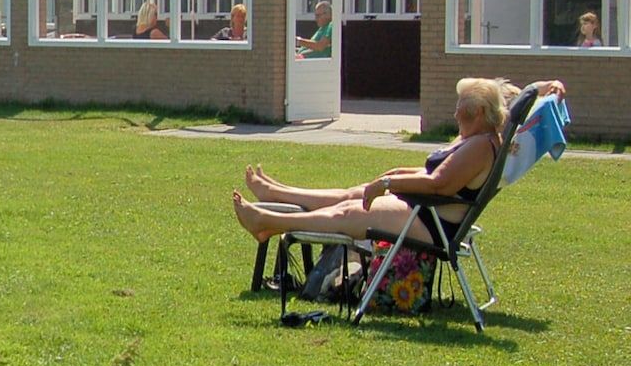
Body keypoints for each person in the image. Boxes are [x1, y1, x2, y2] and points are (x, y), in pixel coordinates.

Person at [233, 78, 567, 247]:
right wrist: (544, 87)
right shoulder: (478, 138)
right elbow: (516, 100)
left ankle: (268, 222)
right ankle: (279, 195)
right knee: (352, 193)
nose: (455, 112)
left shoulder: (481, 146)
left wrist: (389, 184)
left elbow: (440, 185)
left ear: (479, 113)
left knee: (350, 212)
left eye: (461, 106)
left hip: (433, 225)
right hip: (426, 212)